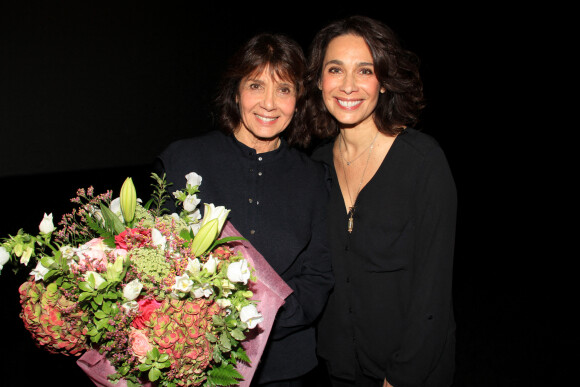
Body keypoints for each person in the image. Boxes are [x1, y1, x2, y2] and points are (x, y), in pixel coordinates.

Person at [155, 33, 334, 386]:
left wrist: (252, 320)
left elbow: (318, 276)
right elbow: (154, 260)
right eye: (256, 85)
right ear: (236, 92)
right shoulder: (182, 160)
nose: (269, 103)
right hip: (194, 362)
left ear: (298, 100)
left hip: (284, 368)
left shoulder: (314, 178)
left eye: (284, 89)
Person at [306, 16, 457, 387]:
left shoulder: (422, 161)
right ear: (319, 81)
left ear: (385, 82)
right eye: (335, 69)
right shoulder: (316, 167)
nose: (348, 85)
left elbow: (433, 293)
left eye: (365, 70)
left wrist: (401, 377)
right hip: (339, 370)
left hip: (410, 372)